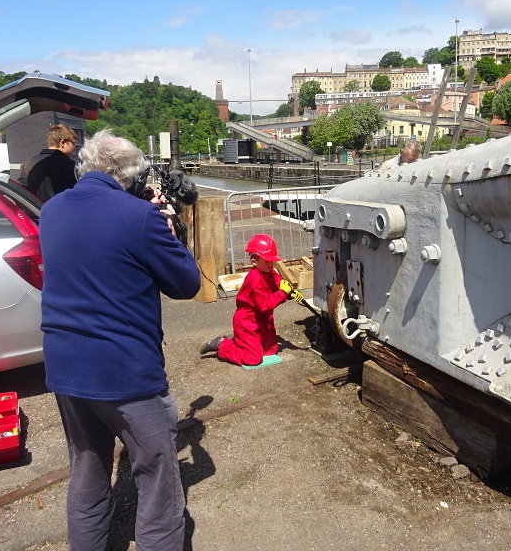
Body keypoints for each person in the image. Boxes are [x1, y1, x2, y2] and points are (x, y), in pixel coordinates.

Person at [39, 128, 201, 551]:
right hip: (126, 372)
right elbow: (186, 283)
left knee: (88, 469)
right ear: (130, 176)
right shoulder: (141, 217)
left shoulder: (52, 210)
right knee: (157, 479)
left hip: (65, 365)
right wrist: (167, 224)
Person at [200, 234, 304, 366]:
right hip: (247, 321)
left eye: (272, 260)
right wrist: (283, 293)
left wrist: (290, 293)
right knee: (253, 359)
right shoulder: (254, 280)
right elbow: (265, 305)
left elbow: (278, 284)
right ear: (254, 261)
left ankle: (245, 343)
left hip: (263, 319)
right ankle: (222, 344)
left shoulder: (269, 271)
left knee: (271, 351)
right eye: (267, 260)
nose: (270, 264)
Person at [20, 124, 79, 201]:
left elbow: (20, 192)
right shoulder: (71, 166)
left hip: (33, 211)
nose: (74, 148)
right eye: (73, 143)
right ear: (63, 143)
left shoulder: (27, 164)